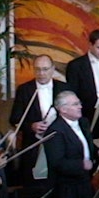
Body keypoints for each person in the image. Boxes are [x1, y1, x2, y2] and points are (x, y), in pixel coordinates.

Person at [9, 54, 60, 185]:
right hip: (33, 145)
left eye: (45, 69)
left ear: (53, 69)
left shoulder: (64, 88)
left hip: (59, 144)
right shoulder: (25, 89)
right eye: (37, 69)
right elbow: (14, 118)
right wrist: (31, 126)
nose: (41, 73)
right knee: (33, 184)